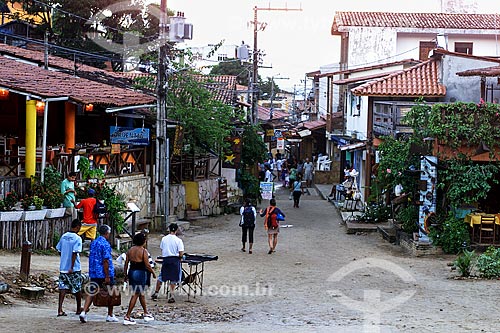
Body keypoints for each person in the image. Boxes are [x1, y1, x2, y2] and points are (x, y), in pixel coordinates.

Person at [79, 224, 118, 323]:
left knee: (91, 291)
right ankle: (110, 314)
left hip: (94, 272)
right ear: (107, 233)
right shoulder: (105, 244)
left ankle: (84, 311)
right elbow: (105, 261)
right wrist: (107, 276)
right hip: (103, 272)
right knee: (111, 292)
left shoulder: (94, 242)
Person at [123, 233, 156, 325]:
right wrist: (153, 273)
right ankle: (127, 316)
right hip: (140, 273)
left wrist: (125, 274)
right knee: (136, 294)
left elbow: (126, 264)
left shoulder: (130, 250)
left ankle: (146, 313)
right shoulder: (143, 251)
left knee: (141, 293)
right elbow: (147, 265)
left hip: (132, 271)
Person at [151, 223, 184, 303]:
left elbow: (162, 249)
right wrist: (180, 257)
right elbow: (181, 253)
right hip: (175, 260)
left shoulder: (164, 239)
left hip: (166, 259)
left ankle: (156, 292)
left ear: (169, 229)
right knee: (173, 278)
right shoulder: (178, 240)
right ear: (176, 230)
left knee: (162, 276)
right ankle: (171, 295)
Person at [56, 219, 83, 317]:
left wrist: (64, 258)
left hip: (63, 267)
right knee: (77, 288)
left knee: (62, 288)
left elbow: (58, 249)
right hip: (74, 268)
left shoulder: (64, 236)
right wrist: (71, 266)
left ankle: (60, 309)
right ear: (78, 227)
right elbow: (75, 253)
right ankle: (78, 308)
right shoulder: (77, 238)